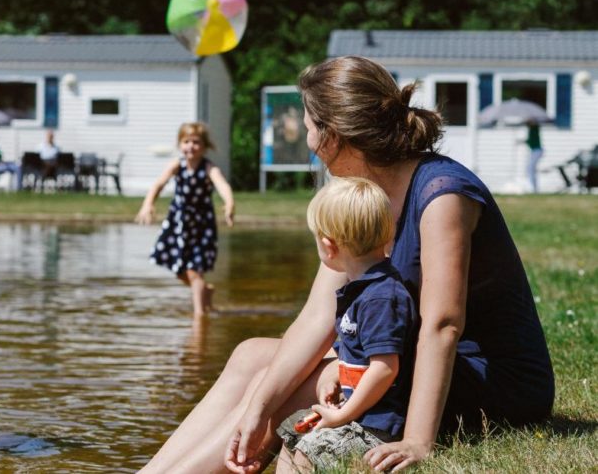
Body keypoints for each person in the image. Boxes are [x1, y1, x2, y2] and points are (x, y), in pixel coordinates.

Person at [140, 56, 553, 473]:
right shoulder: (359, 197)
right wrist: (257, 408)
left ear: (333, 135)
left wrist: (417, 440)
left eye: (308, 128)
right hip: (406, 360)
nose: (307, 143)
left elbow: (442, 325)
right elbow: (320, 315)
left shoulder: (443, 195)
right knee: (252, 356)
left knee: (309, 383)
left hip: (489, 381)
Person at [273, 177, 418, 472]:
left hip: (378, 427)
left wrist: (343, 415)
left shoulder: (381, 297)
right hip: (359, 413)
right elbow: (358, 349)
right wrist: (336, 377)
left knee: (307, 452)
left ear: (329, 246)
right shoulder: (362, 289)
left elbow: (385, 368)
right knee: (292, 436)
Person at [135, 122, 235, 316]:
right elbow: (158, 185)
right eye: (186, 141)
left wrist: (229, 204)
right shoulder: (176, 165)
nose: (191, 146)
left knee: (194, 270)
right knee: (179, 269)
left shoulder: (208, 168)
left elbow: (223, 186)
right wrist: (148, 204)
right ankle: (204, 291)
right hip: (178, 224)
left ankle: (199, 316)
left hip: (201, 226)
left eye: (196, 142)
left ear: (205, 146)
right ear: (180, 144)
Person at [523, 119, 543, 193]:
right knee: (530, 169)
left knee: (530, 168)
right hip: (534, 150)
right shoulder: (531, 130)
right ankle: (533, 187)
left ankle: (533, 188)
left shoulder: (535, 128)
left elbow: (535, 124)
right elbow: (530, 140)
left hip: (537, 150)